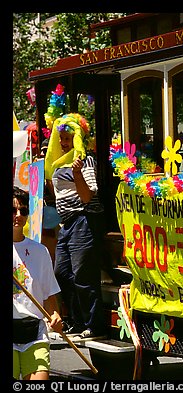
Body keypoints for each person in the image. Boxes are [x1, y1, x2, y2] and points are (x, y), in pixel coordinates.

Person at [44, 112, 106, 340]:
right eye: (61, 139)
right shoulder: (58, 165)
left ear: (77, 138)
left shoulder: (85, 161)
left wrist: (77, 173)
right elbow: (58, 193)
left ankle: (93, 324)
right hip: (67, 222)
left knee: (83, 274)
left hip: (84, 219)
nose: (63, 143)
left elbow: (88, 196)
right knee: (61, 272)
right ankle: (78, 320)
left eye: (68, 138)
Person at [13, 186, 64, 380]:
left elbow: (49, 291)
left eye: (23, 211)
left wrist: (55, 314)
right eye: (13, 210)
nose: (18, 215)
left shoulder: (40, 251)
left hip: (35, 333)